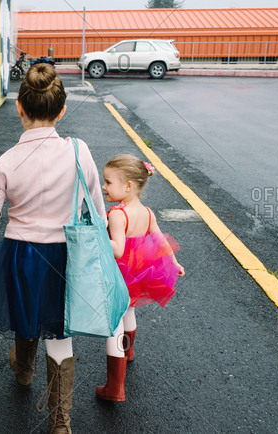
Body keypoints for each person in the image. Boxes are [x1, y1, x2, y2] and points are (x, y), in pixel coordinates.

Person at [0, 63, 106, 433]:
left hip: (21, 254)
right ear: (62, 110)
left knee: (26, 313)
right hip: (65, 255)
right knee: (60, 332)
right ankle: (60, 423)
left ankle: (23, 371)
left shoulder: (7, 161)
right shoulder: (79, 152)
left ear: (19, 108)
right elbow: (96, 209)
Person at [96, 154, 185, 402]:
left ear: (128, 186)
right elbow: (160, 240)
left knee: (115, 320)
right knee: (130, 311)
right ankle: (129, 351)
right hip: (141, 270)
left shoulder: (117, 214)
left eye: (108, 182)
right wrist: (175, 263)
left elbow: (118, 249)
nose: (103, 187)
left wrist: (97, 233)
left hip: (120, 272)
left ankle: (114, 387)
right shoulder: (147, 212)